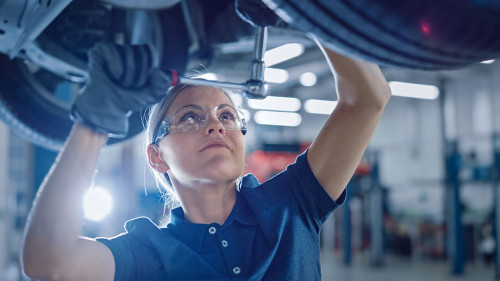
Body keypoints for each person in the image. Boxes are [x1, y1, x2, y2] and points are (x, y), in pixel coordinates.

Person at [20, 9, 390, 281]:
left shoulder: (292, 204)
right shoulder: (146, 253)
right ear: (156, 156)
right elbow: (49, 263)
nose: (215, 124)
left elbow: (368, 98)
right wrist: (95, 122)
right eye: (190, 117)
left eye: (226, 115)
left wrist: (305, 9)